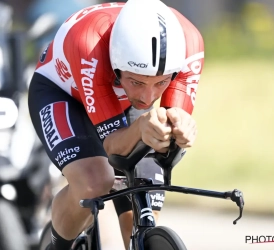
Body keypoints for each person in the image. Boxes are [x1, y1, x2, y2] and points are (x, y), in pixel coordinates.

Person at [28, 0, 204, 249]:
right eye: (137, 82)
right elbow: (113, 147)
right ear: (117, 63)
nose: (148, 98)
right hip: (63, 94)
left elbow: (167, 124)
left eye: (161, 83)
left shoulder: (190, 43)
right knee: (94, 181)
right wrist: (142, 127)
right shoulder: (89, 44)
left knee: (144, 203)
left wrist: (179, 130)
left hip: (119, 100)